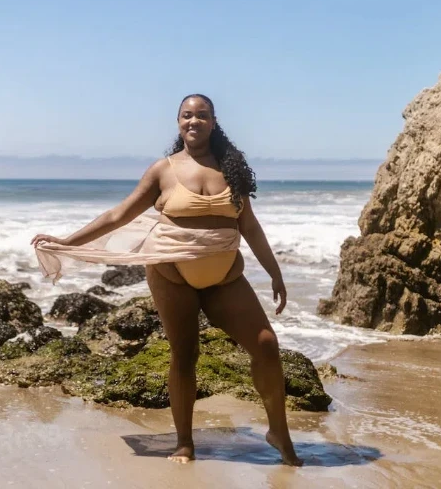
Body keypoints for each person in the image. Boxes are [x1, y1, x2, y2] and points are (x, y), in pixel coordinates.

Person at [31, 94, 302, 466]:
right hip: (172, 275)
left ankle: (279, 432)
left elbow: (250, 227)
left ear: (213, 121)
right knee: (185, 354)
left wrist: (275, 273)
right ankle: (185, 442)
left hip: (225, 277)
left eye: (202, 115)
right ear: (178, 122)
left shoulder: (232, 168)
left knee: (266, 345)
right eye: (187, 115)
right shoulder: (163, 169)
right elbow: (120, 214)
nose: (194, 121)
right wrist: (66, 241)